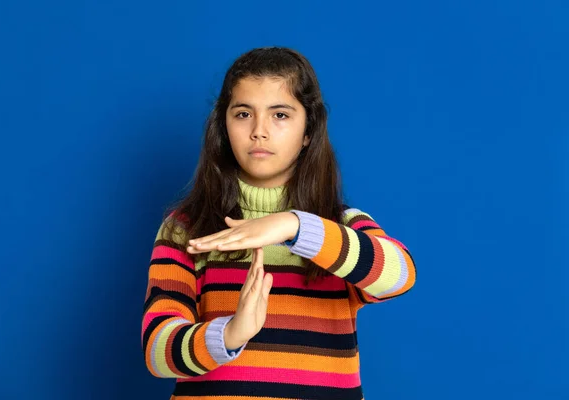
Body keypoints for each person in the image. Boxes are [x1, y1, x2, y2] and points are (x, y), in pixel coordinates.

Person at [141, 46, 416, 400]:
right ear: (223, 126)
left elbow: (400, 276)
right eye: (243, 114)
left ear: (308, 131)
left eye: (280, 115)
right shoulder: (185, 229)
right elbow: (156, 353)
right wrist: (229, 334)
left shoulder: (339, 227)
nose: (259, 131)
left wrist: (296, 227)